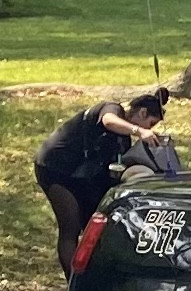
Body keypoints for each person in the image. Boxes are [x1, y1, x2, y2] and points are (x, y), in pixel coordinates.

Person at [35, 89, 168, 276]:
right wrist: (140, 131)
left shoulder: (123, 141)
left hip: (81, 176)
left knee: (95, 226)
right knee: (69, 226)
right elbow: (109, 121)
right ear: (142, 112)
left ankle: (93, 279)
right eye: (151, 124)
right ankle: (74, 284)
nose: (150, 129)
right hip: (55, 167)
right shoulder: (112, 109)